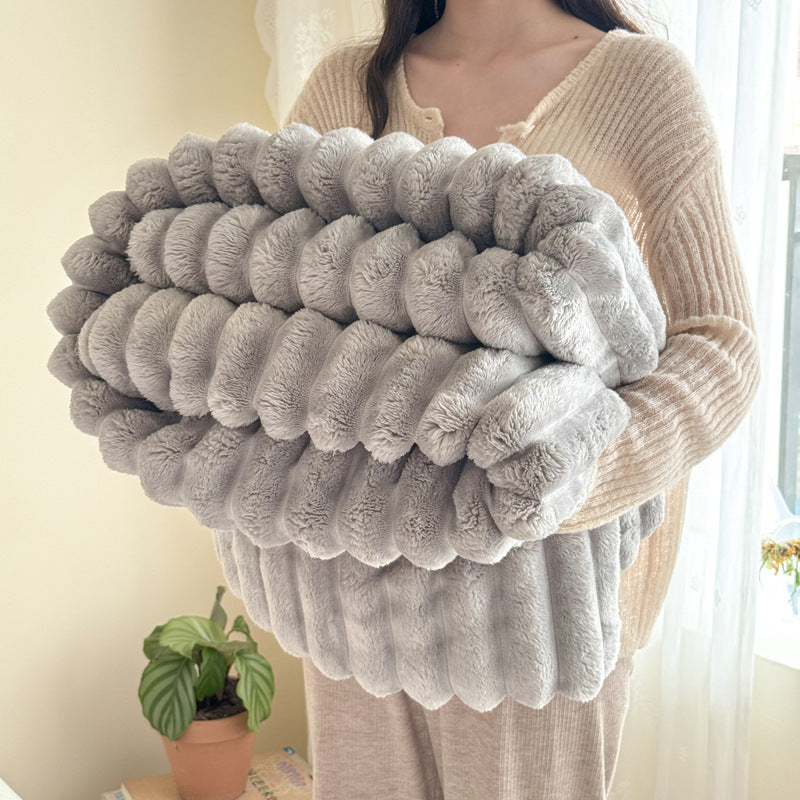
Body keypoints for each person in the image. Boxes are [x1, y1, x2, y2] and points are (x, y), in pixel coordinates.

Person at [282, 1, 761, 797]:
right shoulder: (344, 88)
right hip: (356, 599)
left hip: (544, 615)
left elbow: (722, 339)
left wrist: (572, 470)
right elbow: (271, 305)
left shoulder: (642, 84)